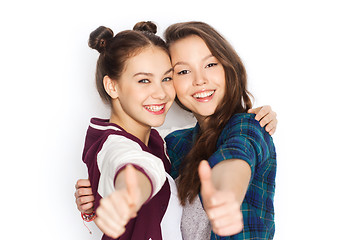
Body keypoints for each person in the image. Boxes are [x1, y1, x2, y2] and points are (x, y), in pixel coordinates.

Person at [76, 21, 277, 239]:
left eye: (210, 65)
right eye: (183, 71)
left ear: (229, 67)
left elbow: (236, 159)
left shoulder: (247, 127)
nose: (200, 80)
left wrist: (226, 194)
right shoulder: (173, 144)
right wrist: (107, 195)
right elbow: (132, 165)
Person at [81, 21, 183, 240]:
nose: (161, 93)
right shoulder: (113, 147)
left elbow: (201, 134)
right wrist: (128, 196)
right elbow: (131, 165)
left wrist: (247, 119)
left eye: (166, 78)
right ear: (112, 86)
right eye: (144, 80)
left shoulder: (156, 141)